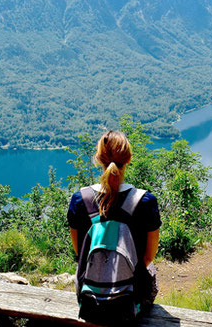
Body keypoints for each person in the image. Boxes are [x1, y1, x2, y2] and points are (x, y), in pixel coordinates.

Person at [67, 130, 161, 317]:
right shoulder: (145, 201)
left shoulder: (80, 200)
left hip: (90, 303)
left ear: (98, 159)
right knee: (151, 269)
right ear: (129, 159)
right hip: (130, 302)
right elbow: (149, 256)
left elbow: (80, 253)